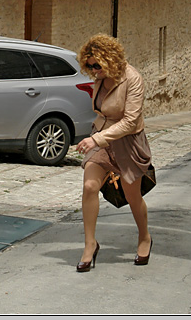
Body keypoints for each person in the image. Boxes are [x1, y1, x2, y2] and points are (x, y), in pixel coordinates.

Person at [74, 34, 153, 272]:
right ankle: (90, 245)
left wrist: (95, 138)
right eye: (89, 66)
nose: (93, 70)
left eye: (97, 65)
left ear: (110, 59)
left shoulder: (133, 79)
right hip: (102, 141)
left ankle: (144, 237)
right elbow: (103, 112)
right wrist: (97, 139)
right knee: (89, 187)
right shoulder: (100, 78)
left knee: (132, 196)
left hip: (127, 143)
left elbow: (130, 121)